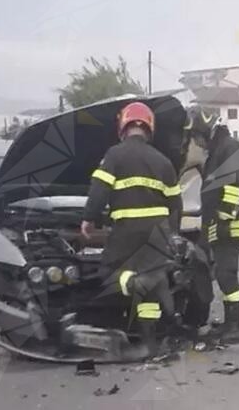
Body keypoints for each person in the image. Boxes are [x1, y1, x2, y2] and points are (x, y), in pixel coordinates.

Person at [81, 102, 183, 356]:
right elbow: (176, 204)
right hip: (157, 233)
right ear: (149, 127)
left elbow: (99, 190)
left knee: (107, 273)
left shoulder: (115, 155)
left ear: (124, 126)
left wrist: (88, 219)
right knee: (149, 290)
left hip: (127, 230)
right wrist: (172, 235)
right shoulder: (163, 162)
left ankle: (135, 284)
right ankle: (151, 344)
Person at [200, 116, 239, 344]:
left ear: (210, 131)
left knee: (226, 274)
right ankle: (231, 323)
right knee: (223, 273)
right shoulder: (219, 150)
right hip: (222, 224)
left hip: (230, 224)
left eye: (199, 137)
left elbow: (237, 185)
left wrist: (223, 215)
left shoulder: (230, 148)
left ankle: (236, 327)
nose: (199, 143)